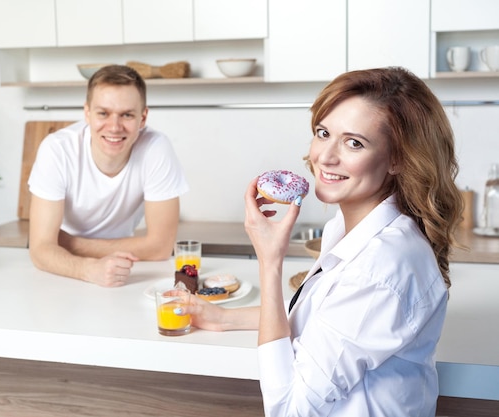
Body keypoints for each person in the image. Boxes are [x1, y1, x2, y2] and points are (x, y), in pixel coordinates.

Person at [179, 67, 463, 416]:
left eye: (354, 143)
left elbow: (289, 410)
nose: (325, 157)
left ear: (397, 159)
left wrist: (270, 262)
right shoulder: (348, 226)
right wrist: (224, 318)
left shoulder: (381, 265)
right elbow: (323, 314)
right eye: (323, 133)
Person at [27, 65, 189, 287]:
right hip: (63, 269)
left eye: (127, 115)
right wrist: (88, 269)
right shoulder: (57, 149)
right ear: (87, 113)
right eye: (103, 113)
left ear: (143, 118)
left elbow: (160, 247)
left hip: (126, 266)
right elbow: (40, 250)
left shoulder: (156, 148)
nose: (114, 127)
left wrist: (69, 243)